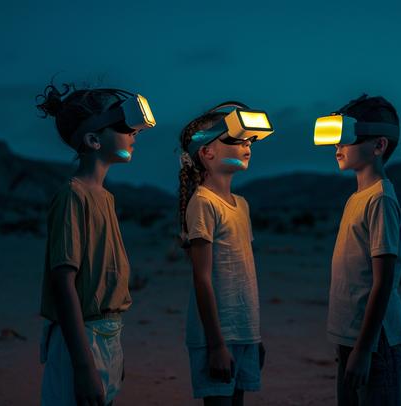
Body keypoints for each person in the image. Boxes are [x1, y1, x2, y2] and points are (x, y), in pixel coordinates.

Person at [37, 83, 155, 405]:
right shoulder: (73, 197)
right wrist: (84, 364)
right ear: (93, 139)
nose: (134, 134)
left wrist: (112, 353)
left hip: (107, 333)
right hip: (82, 337)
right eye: (123, 127)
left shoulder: (105, 197)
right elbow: (64, 284)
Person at [319, 95, 401, 405]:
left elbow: (382, 283)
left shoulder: (380, 199)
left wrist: (363, 350)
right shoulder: (357, 197)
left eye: (346, 138)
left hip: (376, 340)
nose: (337, 147)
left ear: (378, 145)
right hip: (352, 337)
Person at [178, 102, 269, 405]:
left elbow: (243, 272)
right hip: (215, 337)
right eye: (236, 140)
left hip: (244, 332)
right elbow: (201, 279)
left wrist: (255, 336)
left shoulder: (242, 205)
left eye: (250, 141)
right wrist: (216, 344)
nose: (247, 146)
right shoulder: (203, 203)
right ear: (207, 152)